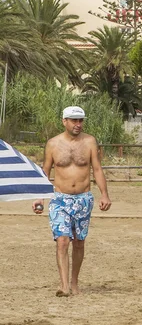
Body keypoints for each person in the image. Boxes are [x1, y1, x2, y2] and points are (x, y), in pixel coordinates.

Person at [32, 106, 112, 297]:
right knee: (62, 241)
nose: (78, 124)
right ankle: (64, 285)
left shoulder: (90, 142)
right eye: (74, 120)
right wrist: (39, 196)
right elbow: (46, 171)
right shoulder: (53, 144)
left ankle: (74, 283)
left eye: (80, 120)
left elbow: (97, 169)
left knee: (79, 242)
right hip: (60, 199)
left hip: (83, 199)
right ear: (64, 121)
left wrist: (104, 194)